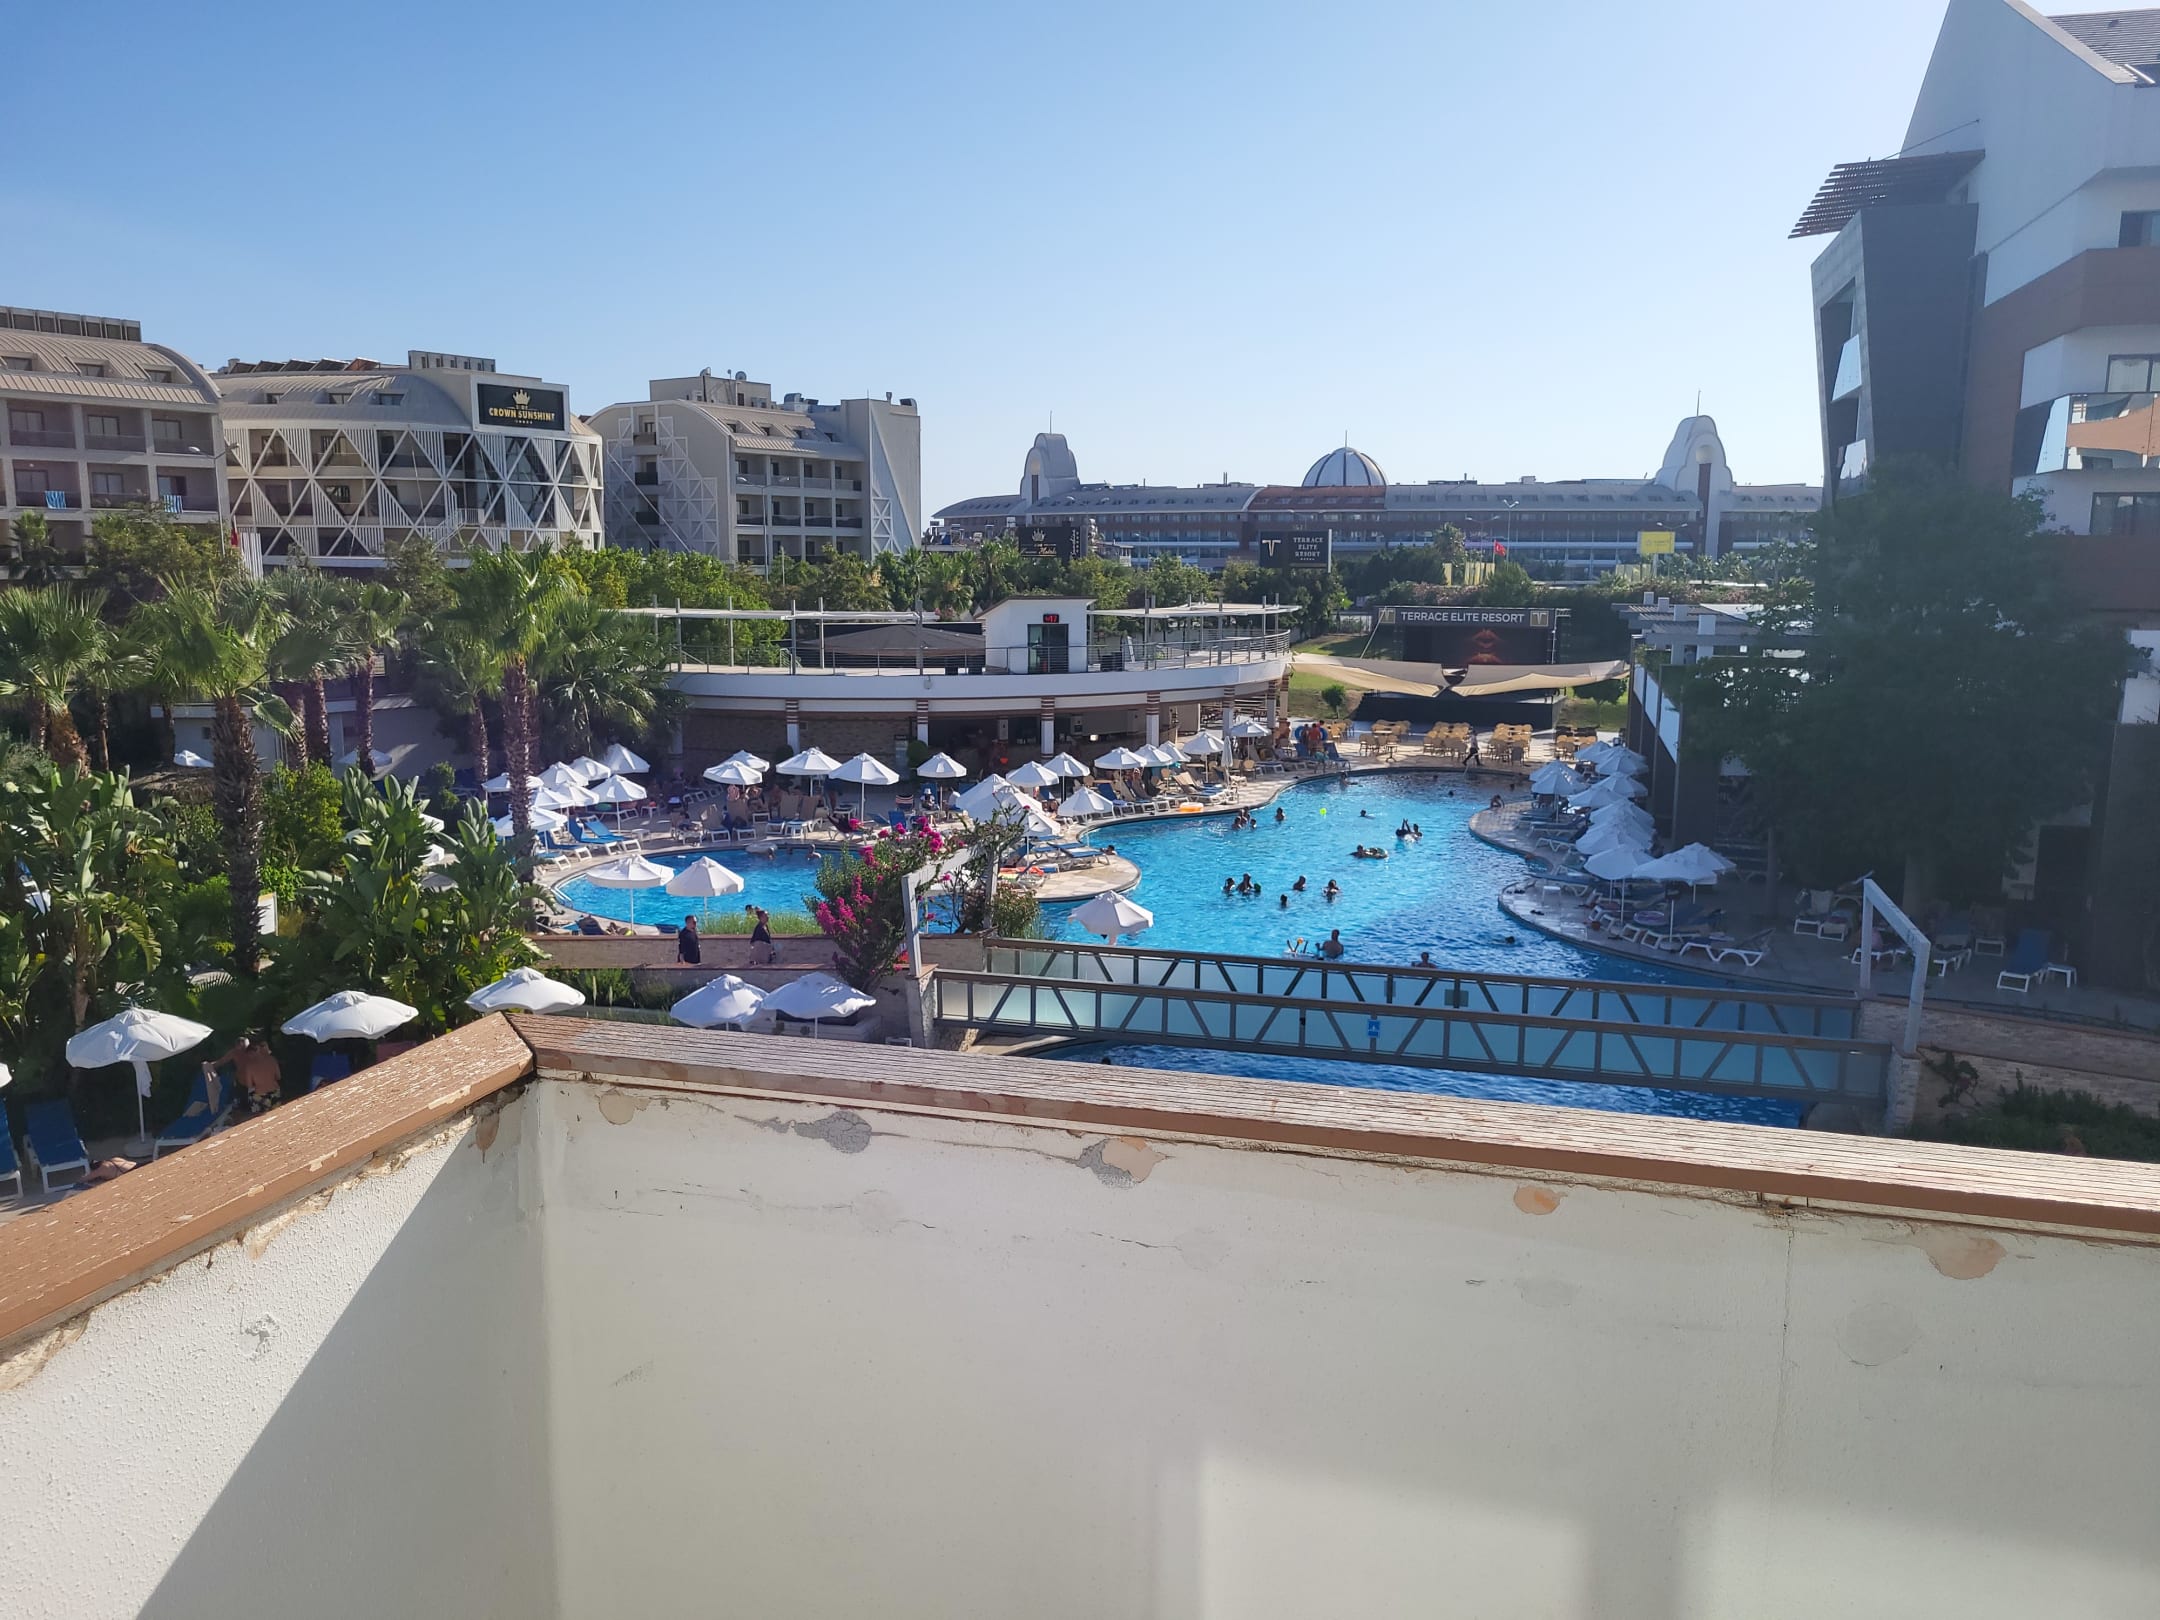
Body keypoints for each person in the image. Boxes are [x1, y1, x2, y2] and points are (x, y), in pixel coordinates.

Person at [210, 1035, 282, 1115]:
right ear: (237, 1047)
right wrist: (209, 1065)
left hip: (257, 1086)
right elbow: (220, 1062)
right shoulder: (235, 1053)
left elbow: (275, 1073)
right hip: (246, 1084)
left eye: (245, 1047)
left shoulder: (259, 1054)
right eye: (241, 1048)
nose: (244, 1051)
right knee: (246, 1107)